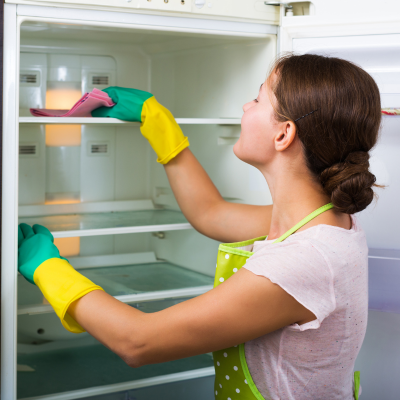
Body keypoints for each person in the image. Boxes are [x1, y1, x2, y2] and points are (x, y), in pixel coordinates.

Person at [18, 53, 382, 399]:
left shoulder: (304, 261)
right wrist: (158, 123)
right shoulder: (321, 221)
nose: (245, 107)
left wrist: (49, 269)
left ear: (283, 134)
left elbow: (138, 342)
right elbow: (212, 214)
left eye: (257, 100)